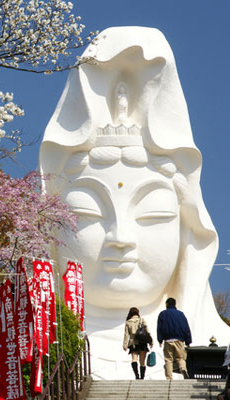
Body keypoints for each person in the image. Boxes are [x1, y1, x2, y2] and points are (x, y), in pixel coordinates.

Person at [38, 26, 230, 379]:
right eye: (87, 212)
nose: (121, 238)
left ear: (187, 226)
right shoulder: (23, 346)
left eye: (152, 215)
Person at [157, 297, 192, 380]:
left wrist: (160, 340)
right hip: (179, 339)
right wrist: (188, 341)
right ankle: (183, 369)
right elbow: (186, 328)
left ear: (167, 304)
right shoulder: (181, 314)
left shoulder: (162, 314)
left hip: (168, 340)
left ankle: (169, 378)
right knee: (180, 358)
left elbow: (159, 328)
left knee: (168, 359)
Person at [123, 307, 152, 379]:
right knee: (142, 362)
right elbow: (147, 331)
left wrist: (125, 344)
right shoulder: (142, 320)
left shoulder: (128, 322)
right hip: (142, 342)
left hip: (133, 342)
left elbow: (126, 334)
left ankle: (136, 374)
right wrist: (151, 341)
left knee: (134, 359)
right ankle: (142, 377)